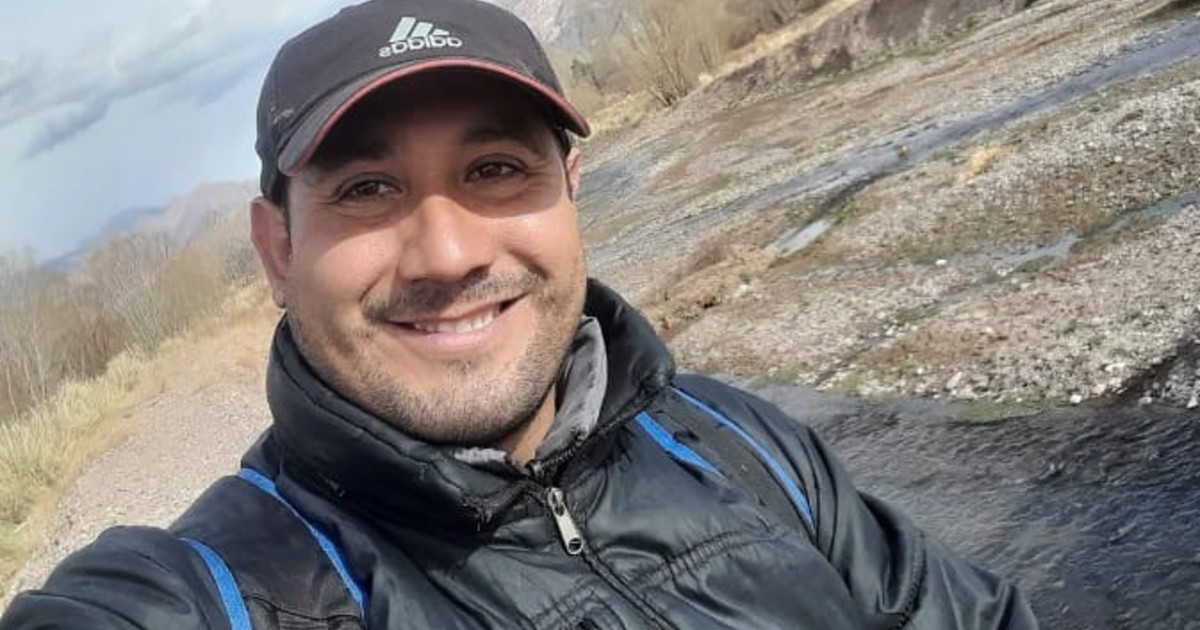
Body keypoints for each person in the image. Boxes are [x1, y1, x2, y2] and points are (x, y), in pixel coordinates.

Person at [1, 0, 1038, 627]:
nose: (449, 253)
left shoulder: (737, 439)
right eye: (366, 188)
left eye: (496, 169)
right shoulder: (222, 591)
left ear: (571, 193)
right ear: (279, 251)